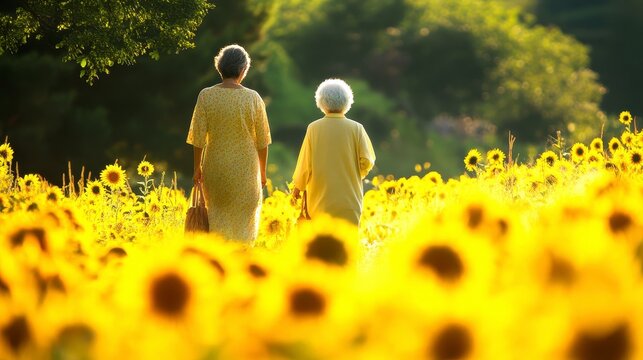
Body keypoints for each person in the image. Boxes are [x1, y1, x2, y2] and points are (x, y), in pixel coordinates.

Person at [186, 44, 271, 242]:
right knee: (244, 227)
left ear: (220, 68)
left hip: (216, 170)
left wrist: (196, 167)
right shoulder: (253, 98)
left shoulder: (206, 95)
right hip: (247, 173)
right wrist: (263, 172)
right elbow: (263, 141)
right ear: (243, 70)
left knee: (216, 221)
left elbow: (197, 137)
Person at [292, 79, 376, 225]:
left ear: (321, 102)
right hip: (350, 202)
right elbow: (367, 161)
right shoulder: (357, 128)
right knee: (349, 243)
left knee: (322, 243)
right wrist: (356, 173)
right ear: (347, 102)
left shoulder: (314, 128)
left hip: (320, 202)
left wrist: (297, 188)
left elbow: (305, 166)